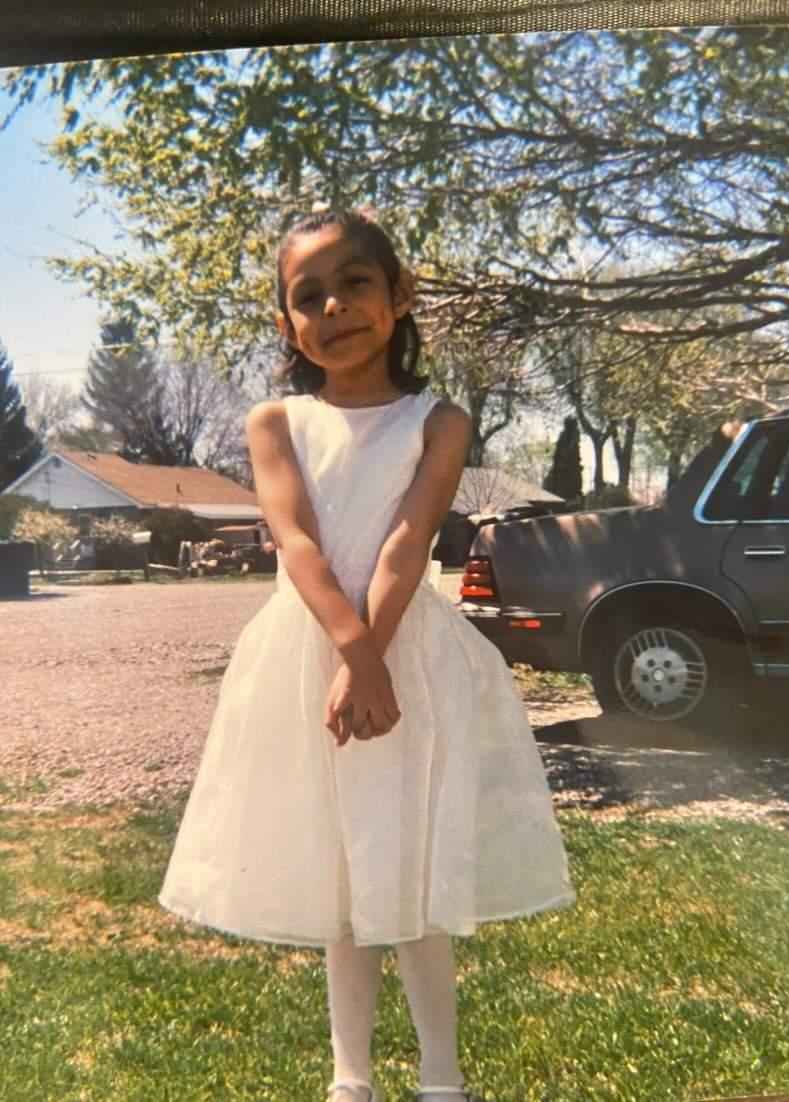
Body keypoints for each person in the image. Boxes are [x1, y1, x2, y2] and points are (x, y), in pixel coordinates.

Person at [158, 209, 575, 1102]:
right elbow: (298, 545)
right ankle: (351, 1080)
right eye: (308, 297)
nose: (335, 307)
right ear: (286, 324)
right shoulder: (276, 421)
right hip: (309, 658)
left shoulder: (439, 420)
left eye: (355, 284)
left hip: (407, 662)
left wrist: (374, 661)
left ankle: (441, 1077)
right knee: (339, 878)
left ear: (399, 297)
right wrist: (349, 654)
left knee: (413, 872)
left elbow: (406, 541)